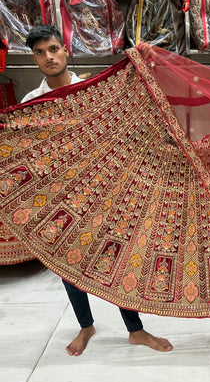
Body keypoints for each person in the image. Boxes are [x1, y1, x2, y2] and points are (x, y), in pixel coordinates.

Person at [23, 24, 173, 356]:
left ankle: (135, 330)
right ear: (33, 58)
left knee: (116, 260)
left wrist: (140, 60)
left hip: (105, 192)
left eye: (53, 48)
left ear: (65, 50)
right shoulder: (31, 103)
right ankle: (86, 326)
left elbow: (129, 109)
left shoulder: (92, 89)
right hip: (60, 197)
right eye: (40, 52)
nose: (49, 57)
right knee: (68, 263)